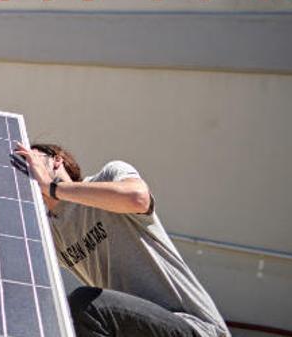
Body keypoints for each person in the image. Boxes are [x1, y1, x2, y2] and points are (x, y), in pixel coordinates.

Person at [14, 142, 229, 337]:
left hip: (196, 328)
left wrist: (53, 188)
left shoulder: (108, 177)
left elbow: (138, 198)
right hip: (131, 330)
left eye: (31, 160)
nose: (28, 169)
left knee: (85, 306)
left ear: (56, 160)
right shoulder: (49, 233)